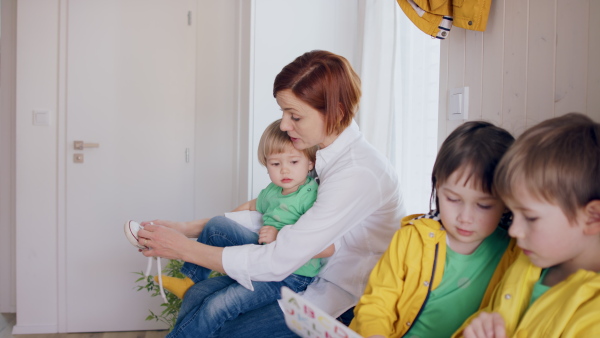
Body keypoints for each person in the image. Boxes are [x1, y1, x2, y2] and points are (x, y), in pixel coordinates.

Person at [137, 50, 405, 337]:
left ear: (336, 113)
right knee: (197, 296)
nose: (284, 125)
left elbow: (279, 260)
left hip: (335, 294)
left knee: (219, 325)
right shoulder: (321, 151)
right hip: (304, 269)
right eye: (283, 113)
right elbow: (276, 212)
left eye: (295, 116)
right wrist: (185, 229)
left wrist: (182, 248)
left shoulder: (357, 173)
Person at [349, 121, 520, 338]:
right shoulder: (411, 238)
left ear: (507, 200)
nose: (465, 218)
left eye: (484, 205)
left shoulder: (516, 252)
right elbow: (377, 302)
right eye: (453, 199)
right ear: (438, 187)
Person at [453, 113, 600, 338]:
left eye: (530, 218)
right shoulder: (525, 265)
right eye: (512, 214)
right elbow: (489, 316)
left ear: (593, 218)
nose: (513, 230)